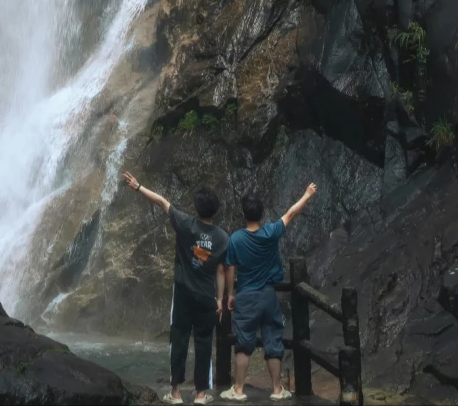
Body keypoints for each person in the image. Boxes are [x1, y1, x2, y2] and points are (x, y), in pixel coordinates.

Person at [122, 170, 229, 405]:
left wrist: (138, 187)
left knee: (179, 340)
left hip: (182, 294)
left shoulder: (185, 224)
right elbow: (221, 270)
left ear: (197, 207)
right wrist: (219, 300)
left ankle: (176, 392)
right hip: (205, 296)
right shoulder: (222, 238)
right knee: (203, 342)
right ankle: (201, 394)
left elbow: (162, 202)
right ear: (214, 210)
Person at [219, 183, 317, 403]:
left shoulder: (235, 239)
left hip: (246, 295)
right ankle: (276, 389)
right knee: (273, 340)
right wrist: (307, 194)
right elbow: (291, 213)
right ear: (262, 214)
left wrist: (231, 294)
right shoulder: (271, 232)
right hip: (268, 294)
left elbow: (229, 268)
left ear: (243, 214)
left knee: (243, 343)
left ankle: (238, 390)